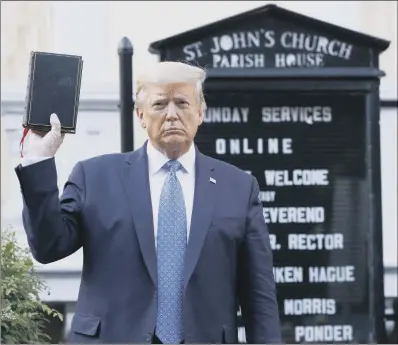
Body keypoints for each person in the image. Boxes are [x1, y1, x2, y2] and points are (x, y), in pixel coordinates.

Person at [15, 61, 281, 344]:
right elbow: (48, 246)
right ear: (140, 115)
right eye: (159, 104)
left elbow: (259, 297)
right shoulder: (95, 177)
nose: (171, 115)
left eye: (182, 103)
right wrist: (38, 162)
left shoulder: (238, 187)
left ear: (200, 112)